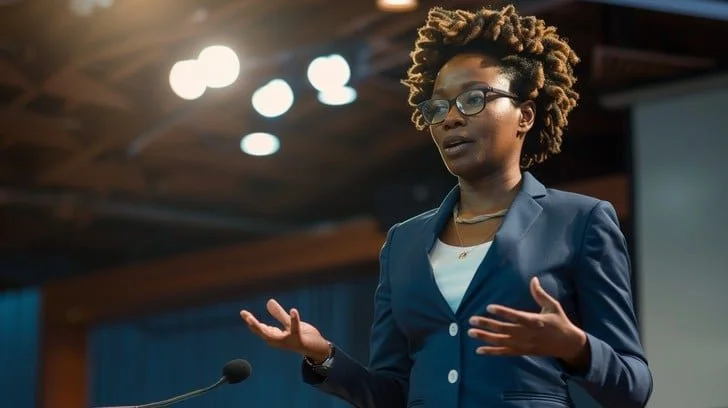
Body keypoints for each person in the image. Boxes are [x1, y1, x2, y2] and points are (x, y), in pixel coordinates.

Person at [240, 4, 652, 408]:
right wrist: (323, 355)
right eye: (438, 107)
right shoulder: (403, 241)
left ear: (525, 115)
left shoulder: (580, 220)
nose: (451, 119)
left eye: (473, 99)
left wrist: (576, 346)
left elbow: (633, 386)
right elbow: (392, 394)